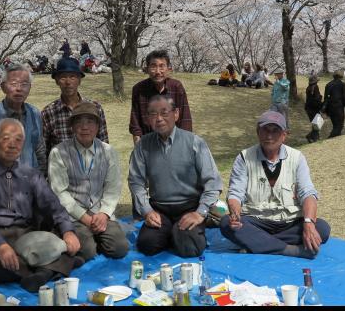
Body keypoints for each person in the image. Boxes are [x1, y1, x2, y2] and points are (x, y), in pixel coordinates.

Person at [0, 119, 82, 292]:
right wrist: (0, 246)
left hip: (26, 235)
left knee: (68, 242)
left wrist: (67, 230)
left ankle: (41, 273)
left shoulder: (31, 174)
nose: (12, 144)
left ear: (23, 145)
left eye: (18, 139)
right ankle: (49, 269)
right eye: (6, 138)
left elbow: (52, 204)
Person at [220, 110, 331, 259]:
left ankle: (256, 243)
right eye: (265, 130)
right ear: (258, 132)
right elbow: (235, 193)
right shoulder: (244, 158)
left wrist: (308, 223)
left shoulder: (297, 158)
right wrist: (235, 214)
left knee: (322, 228)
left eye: (275, 131)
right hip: (255, 220)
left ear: (284, 135)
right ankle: (288, 250)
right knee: (226, 224)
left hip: (289, 221)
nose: (269, 136)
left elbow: (308, 193)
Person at [128, 95, 222, 257]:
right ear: (148, 118)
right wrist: (147, 211)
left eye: (164, 113)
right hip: (159, 209)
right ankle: (172, 232)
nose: (159, 119)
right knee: (147, 245)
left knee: (189, 248)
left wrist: (200, 213)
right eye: (153, 114)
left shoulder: (195, 142)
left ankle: (179, 234)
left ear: (176, 114)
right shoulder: (143, 144)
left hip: (189, 207)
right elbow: (136, 182)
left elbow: (213, 182)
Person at [48, 102, 129, 262]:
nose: (85, 127)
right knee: (86, 252)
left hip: (100, 212)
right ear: (72, 126)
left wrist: (104, 214)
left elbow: (113, 187)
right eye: (79, 122)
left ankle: (98, 235)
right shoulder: (59, 152)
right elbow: (60, 193)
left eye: (90, 122)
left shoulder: (108, 151)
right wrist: (85, 218)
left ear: (98, 126)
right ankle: (80, 237)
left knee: (120, 248)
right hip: (74, 215)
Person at [0, 63, 46, 175]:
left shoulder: (35, 114)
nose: (19, 89)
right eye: (13, 84)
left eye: (24, 84)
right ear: (3, 87)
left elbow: (40, 152)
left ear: (30, 87)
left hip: (30, 184)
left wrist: (40, 181)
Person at [41, 58, 109, 159]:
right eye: (63, 77)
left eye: (72, 77)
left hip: (92, 168)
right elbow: (43, 151)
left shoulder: (95, 108)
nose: (68, 82)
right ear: (56, 81)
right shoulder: (48, 112)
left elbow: (104, 144)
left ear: (79, 80)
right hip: (60, 168)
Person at [129, 49, 192, 144]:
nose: (158, 71)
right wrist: (138, 148)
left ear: (168, 68)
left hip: (173, 141)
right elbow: (135, 123)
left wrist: (183, 146)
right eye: (153, 66)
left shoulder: (176, 87)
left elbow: (185, 121)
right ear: (147, 69)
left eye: (162, 66)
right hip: (148, 143)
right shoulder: (138, 89)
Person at [322, 70, 345, 138]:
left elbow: (326, 98)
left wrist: (325, 110)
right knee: (339, 126)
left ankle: (336, 140)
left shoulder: (328, 84)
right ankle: (329, 139)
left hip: (330, 108)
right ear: (341, 77)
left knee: (335, 125)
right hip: (338, 108)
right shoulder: (342, 85)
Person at [304, 75, 323, 143]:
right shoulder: (315, 87)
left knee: (316, 123)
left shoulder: (308, 88)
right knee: (317, 123)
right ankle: (313, 138)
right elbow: (317, 99)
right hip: (314, 108)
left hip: (309, 108)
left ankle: (312, 136)